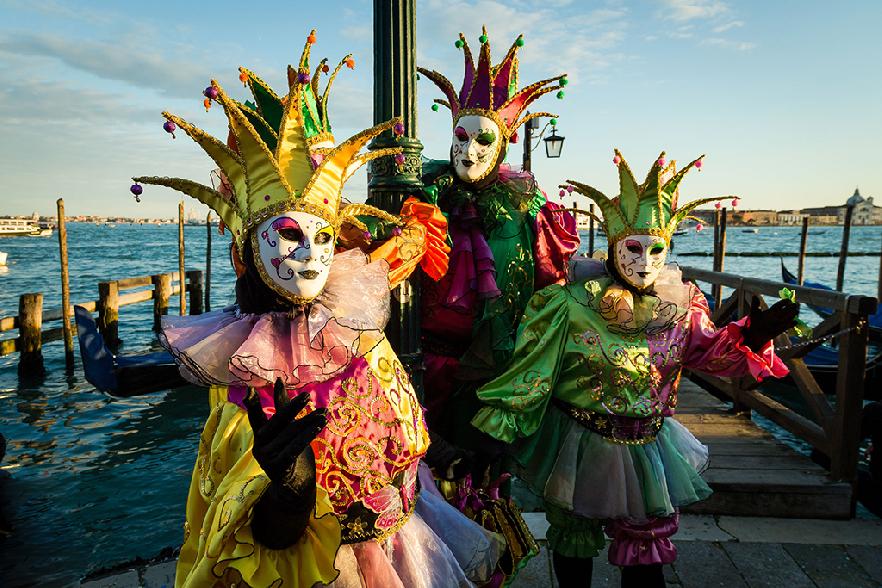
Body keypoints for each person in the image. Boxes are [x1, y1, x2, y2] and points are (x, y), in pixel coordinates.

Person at [133, 47, 503, 587]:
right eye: (288, 235)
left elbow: (392, 407)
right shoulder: (246, 363)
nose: (311, 254)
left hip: (394, 545)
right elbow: (243, 530)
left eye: (324, 237)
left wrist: (444, 453)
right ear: (248, 248)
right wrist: (289, 493)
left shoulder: (353, 327)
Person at [471, 150, 799, 588]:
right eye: (633, 247)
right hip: (578, 443)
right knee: (573, 543)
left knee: (646, 559)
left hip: (648, 444)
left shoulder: (681, 307)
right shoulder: (569, 303)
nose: (644, 260)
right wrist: (496, 430)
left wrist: (755, 334)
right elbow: (534, 370)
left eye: (656, 248)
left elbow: (711, 355)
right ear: (612, 245)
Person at [415, 26, 580, 465]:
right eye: (462, 137)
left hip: (493, 380)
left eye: (484, 139)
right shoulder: (423, 200)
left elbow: (548, 301)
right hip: (421, 372)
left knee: (483, 488)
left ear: (503, 143)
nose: (470, 150)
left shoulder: (528, 212)